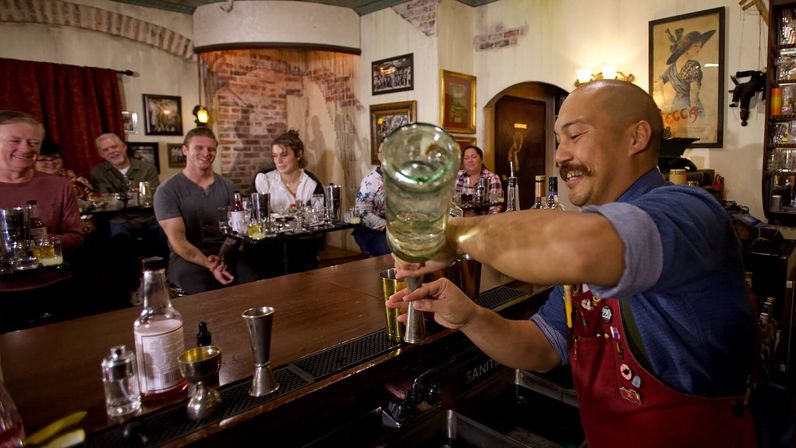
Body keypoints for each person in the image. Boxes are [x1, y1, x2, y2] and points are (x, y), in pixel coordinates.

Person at [388, 80, 762, 447]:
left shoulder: (688, 212)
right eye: (558, 140)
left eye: (575, 136)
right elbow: (542, 348)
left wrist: (451, 237)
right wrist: (468, 317)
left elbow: (582, 247)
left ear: (637, 137)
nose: (560, 155)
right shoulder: (588, 232)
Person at [0, 111, 83, 330]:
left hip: (50, 286)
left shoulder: (59, 185)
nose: (26, 148)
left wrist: (34, 246)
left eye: (33, 142)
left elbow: (75, 238)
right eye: (15, 141)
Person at [154, 127, 258, 294]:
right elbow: (177, 240)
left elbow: (237, 229)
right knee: (202, 286)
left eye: (211, 149)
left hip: (225, 253)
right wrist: (209, 264)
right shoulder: (167, 190)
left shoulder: (229, 187)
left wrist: (222, 256)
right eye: (199, 148)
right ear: (185, 150)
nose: (206, 153)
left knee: (253, 279)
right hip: (187, 257)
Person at [90, 133, 166, 302]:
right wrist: (134, 198)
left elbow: (153, 198)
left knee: (167, 232)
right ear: (101, 154)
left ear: (123, 146)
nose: (112, 151)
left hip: (147, 217)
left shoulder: (147, 168)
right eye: (106, 149)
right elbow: (105, 201)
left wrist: (119, 198)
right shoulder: (97, 173)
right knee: (119, 239)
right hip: (119, 220)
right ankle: (134, 286)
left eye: (114, 146)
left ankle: (166, 279)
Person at [252, 130, 324, 273]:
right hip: (271, 248)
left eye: (284, 155)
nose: (278, 161)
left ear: (299, 154)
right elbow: (256, 218)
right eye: (275, 156)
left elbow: (319, 223)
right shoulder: (264, 180)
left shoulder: (311, 184)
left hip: (303, 247)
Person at [654, 29, 715, 118]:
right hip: (688, 107)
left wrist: (663, 104)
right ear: (686, 48)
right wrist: (694, 109)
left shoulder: (672, 69)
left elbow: (659, 82)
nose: (699, 49)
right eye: (695, 46)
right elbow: (694, 92)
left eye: (700, 46)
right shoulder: (693, 66)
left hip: (677, 106)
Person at [353, 142, 389, 256]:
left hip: (398, 230)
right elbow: (362, 214)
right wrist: (388, 227)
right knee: (389, 252)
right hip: (372, 230)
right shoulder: (370, 181)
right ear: (379, 156)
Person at [35, 140, 95, 205]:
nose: (51, 162)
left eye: (55, 158)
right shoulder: (29, 182)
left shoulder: (77, 180)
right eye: (43, 159)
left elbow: (93, 201)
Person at [453, 145, 503, 215]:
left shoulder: (492, 178)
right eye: (466, 158)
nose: (470, 160)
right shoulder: (457, 175)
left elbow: (495, 208)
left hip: (482, 221)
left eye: (474, 157)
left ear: (481, 160)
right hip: (458, 219)